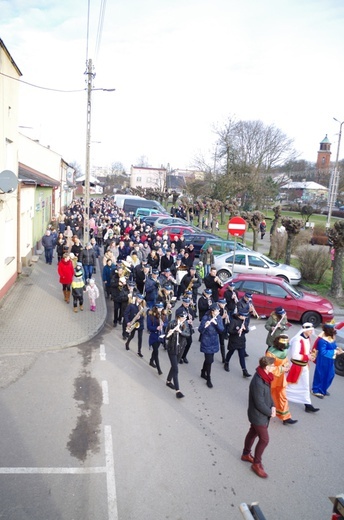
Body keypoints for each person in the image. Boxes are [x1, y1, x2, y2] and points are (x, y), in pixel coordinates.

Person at [241, 356, 276, 479]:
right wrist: (269, 412)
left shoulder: (265, 377)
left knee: (253, 433)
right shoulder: (258, 382)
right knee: (264, 439)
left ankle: (246, 454)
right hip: (258, 415)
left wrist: (273, 406)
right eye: (273, 366)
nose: (274, 367)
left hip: (262, 414)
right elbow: (259, 403)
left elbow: (268, 395)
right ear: (267, 367)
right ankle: (256, 463)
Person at [286, 323, 320, 413]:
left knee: (305, 386)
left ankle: (307, 404)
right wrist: (307, 357)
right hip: (297, 366)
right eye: (310, 330)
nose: (312, 332)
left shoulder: (307, 338)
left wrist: (311, 354)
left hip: (304, 366)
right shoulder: (298, 340)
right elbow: (295, 355)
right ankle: (278, 397)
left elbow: (306, 351)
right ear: (304, 330)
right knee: (289, 385)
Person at [266, 335, 297, 425]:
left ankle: (286, 417)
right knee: (269, 395)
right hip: (271, 378)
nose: (285, 346)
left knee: (283, 395)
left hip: (281, 378)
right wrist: (281, 369)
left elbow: (285, 361)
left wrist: (287, 366)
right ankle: (267, 412)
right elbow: (268, 367)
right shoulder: (270, 352)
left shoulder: (284, 350)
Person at [311, 323, 343, 398]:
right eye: (333, 328)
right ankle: (315, 390)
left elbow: (333, 345)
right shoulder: (322, 340)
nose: (335, 329)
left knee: (330, 374)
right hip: (323, 359)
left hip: (330, 359)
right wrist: (335, 352)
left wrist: (338, 348)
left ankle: (323, 388)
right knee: (320, 375)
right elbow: (323, 352)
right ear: (329, 330)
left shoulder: (331, 337)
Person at [165, 310, 191, 399]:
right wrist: (169, 333)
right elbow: (165, 336)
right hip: (172, 348)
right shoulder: (171, 323)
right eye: (182, 317)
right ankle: (178, 390)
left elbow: (188, 334)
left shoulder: (185, 324)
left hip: (181, 348)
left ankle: (168, 381)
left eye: (185, 317)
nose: (184, 319)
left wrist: (180, 331)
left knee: (174, 366)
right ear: (178, 317)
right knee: (176, 369)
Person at [199, 303, 224, 388]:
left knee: (209, 360)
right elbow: (200, 330)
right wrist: (205, 326)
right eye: (217, 311)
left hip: (214, 341)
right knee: (209, 361)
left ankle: (203, 372)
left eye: (219, 311)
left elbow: (221, 330)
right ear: (212, 311)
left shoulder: (219, 318)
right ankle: (208, 378)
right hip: (206, 341)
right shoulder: (205, 318)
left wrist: (216, 323)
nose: (218, 312)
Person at [224, 311, 251, 377]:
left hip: (241, 341)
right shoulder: (234, 321)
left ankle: (244, 370)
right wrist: (237, 331)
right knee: (231, 352)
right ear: (239, 316)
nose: (245, 317)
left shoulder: (244, 322)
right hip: (234, 340)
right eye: (243, 316)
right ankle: (226, 362)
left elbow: (247, 330)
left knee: (241, 356)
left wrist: (245, 329)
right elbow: (230, 331)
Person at [147, 303, 168, 375]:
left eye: (161, 308)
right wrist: (156, 328)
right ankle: (159, 369)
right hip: (154, 336)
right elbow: (149, 327)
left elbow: (167, 323)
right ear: (156, 308)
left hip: (160, 336)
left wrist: (163, 324)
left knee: (155, 350)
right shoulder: (151, 316)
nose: (160, 310)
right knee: (156, 352)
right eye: (158, 308)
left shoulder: (164, 315)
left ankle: (151, 361)